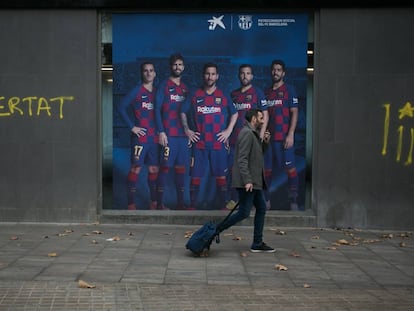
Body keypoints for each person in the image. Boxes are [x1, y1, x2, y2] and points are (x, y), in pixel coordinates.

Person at [181, 62, 238, 210]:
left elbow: (235, 113)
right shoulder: (194, 93)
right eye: (207, 74)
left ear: (217, 76)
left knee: (220, 176)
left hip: (217, 143)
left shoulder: (223, 94)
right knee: (195, 176)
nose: (210, 77)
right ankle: (192, 206)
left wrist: (228, 131)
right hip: (199, 143)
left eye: (213, 74)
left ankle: (224, 206)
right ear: (203, 75)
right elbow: (182, 112)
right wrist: (187, 130)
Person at [218, 108, 275, 252]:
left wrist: (266, 142)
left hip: (255, 182)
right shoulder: (247, 134)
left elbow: (256, 154)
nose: (263, 121)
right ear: (254, 119)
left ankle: (257, 243)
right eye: (261, 118)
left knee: (261, 208)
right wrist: (247, 180)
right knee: (244, 212)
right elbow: (242, 159)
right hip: (248, 182)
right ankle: (217, 229)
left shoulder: (252, 134)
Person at [117, 61, 160, 210]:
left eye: (151, 70)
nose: (148, 73)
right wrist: (132, 127)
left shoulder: (157, 92)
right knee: (136, 169)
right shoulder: (137, 91)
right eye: (145, 70)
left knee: (154, 169)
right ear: (142, 73)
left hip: (154, 138)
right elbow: (121, 107)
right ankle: (131, 204)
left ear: (155, 73)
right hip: (140, 139)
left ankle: (154, 203)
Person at [227, 64, 268, 208]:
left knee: (254, 168)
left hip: (252, 139)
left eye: (248, 73)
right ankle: (235, 200)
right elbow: (230, 115)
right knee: (235, 169)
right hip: (235, 139)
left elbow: (265, 114)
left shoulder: (258, 92)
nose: (245, 76)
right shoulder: (233, 94)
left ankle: (258, 201)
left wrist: (261, 136)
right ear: (239, 75)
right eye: (242, 73)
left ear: (252, 76)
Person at [155, 53, 192, 210]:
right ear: (171, 67)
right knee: (164, 168)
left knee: (181, 170)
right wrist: (161, 131)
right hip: (168, 135)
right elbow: (156, 109)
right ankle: (159, 204)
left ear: (183, 67)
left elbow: (189, 112)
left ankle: (181, 203)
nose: (177, 67)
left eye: (180, 65)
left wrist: (189, 132)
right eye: (175, 64)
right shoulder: (164, 85)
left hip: (182, 137)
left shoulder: (185, 88)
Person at [264, 59, 299, 210]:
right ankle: (266, 201)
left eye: (278, 70)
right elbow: (263, 115)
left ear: (283, 73)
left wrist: (290, 134)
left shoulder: (289, 89)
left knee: (290, 169)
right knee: (266, 171)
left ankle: (294, 200)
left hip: (284, 138)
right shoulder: (266, 92)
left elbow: (294, 112)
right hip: (269, 140)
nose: (275, 72)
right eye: (273, 69)